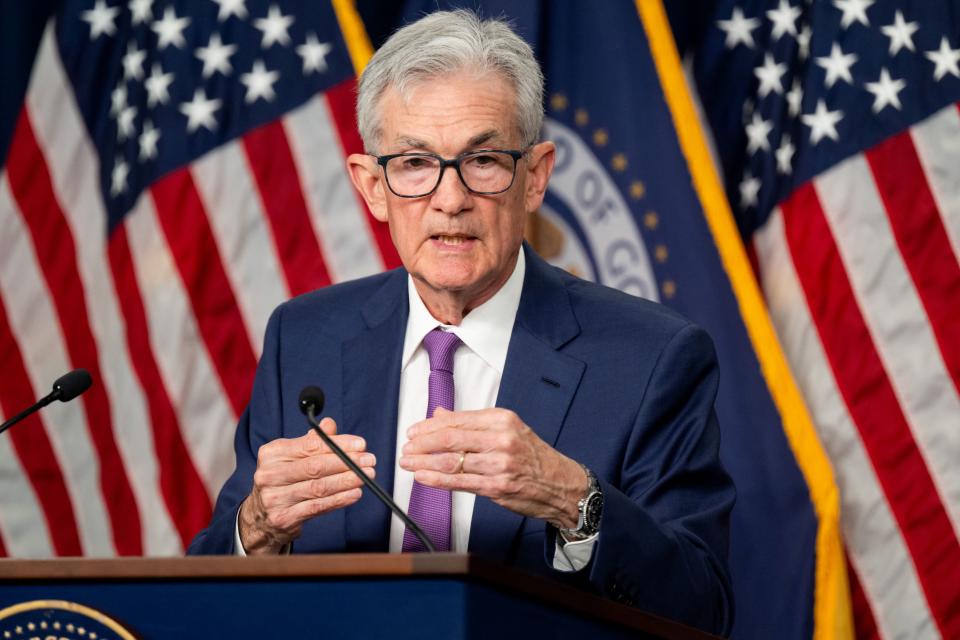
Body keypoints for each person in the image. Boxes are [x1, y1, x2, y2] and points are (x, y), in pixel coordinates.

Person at [188, 9, 735, 635]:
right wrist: (257, 529)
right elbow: (204, 597)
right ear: (372, 187)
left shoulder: (653, 358)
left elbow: (703, 611)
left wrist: (572, 499)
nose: (450, 198)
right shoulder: (304, 338)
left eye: (483, 160)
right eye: (415, 164)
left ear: (535, 177)